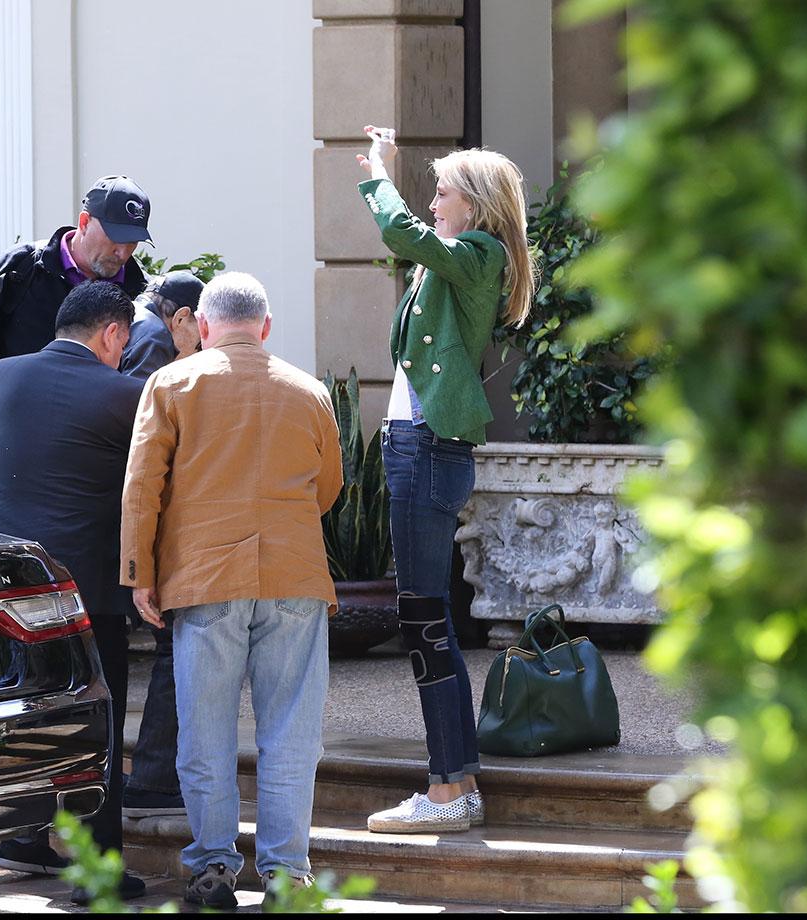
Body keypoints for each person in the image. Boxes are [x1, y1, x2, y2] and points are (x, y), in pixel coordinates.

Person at [120, 272, 343, 908]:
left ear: (203, 325)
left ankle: (213, 867)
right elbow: (327, 488)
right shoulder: (310, 391)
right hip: (294, 575)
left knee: (205, 734)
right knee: (292, 734)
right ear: (265, 327)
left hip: (203, 578)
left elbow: (142, 489)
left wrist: (140, 574)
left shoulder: (171, 382)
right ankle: (286, 872)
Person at [353, 125, 535, 834]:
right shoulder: (456, 260)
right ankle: (454, 783)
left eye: (443, 191)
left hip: (427, 447)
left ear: (476, 204)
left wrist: (377, 175)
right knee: (428, 621)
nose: (433, 202)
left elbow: (404, 234)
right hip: (420, 444)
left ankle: (447, 790)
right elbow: (414, 244)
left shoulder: (478, 252)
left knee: (424, 620)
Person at [0, 281, 149, 904]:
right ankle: (98, 872)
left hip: (1, 588)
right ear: (113, 333)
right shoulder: (128, 394)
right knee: (98, 723)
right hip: (85, 594)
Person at [0, 175, 152, 439]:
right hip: (14, 444)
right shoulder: (20, 269)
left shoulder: (140, 293)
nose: (123, 253)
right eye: (116, 238)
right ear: (85, 222)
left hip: (97, 454)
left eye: (132, 242)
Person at [117, 270, 203, 822]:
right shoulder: (154, 339)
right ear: (184, 319)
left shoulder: (138, 326)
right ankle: (151, 776)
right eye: (202, 332)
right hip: (139, 519)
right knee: (175, 645)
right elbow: (148, 446)